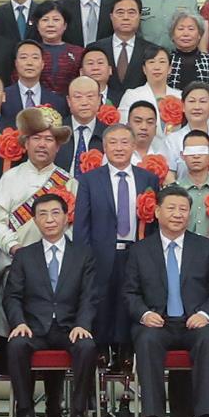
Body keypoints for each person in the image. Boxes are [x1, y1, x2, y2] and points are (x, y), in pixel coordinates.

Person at [123, 185, 209, 417]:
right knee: (147, 339)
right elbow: (129, 293)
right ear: (157, 212)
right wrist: (144, 314)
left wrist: (204, 315)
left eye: (183, 209)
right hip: (157, 322)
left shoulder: (206, 248)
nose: (177, 214)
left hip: (195, 321)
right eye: (171, 208)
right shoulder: (140, 251)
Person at [4, 192, 100, 417]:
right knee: (16, 345)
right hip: (34, 328)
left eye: (55, 213)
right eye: (43, 214)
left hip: (70, 328)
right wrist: (19, 322)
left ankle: (78, 414)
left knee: (87, 347)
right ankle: (25, 414)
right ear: (35, 220)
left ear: (67, 217)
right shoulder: (24, 256)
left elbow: (89, 296)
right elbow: (12, 296)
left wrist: (82, 324)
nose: (49, 219)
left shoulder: (83, 254)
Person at [73, 122, 159, 351]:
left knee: (130, 302)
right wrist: (83, 257)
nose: (119, 148)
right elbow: (81, 224)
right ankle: (101, 352)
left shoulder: (148, 179)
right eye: (113, 142)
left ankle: (126, 353)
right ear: (104, 147)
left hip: (136, 252)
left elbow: (153, 222)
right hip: (100, 253)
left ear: (133, 146)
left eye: (124, 142)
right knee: (101, 304)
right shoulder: (89, 180)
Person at [0, 107, 77, 265]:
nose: (42, 144)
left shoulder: (69, 182)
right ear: (26, 143)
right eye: (36, 138)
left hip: (55, 262)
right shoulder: (10, 177)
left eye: (49, 139)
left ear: (57, 146)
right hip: (14, 262)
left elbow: (73, 228)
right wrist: (14, 247)